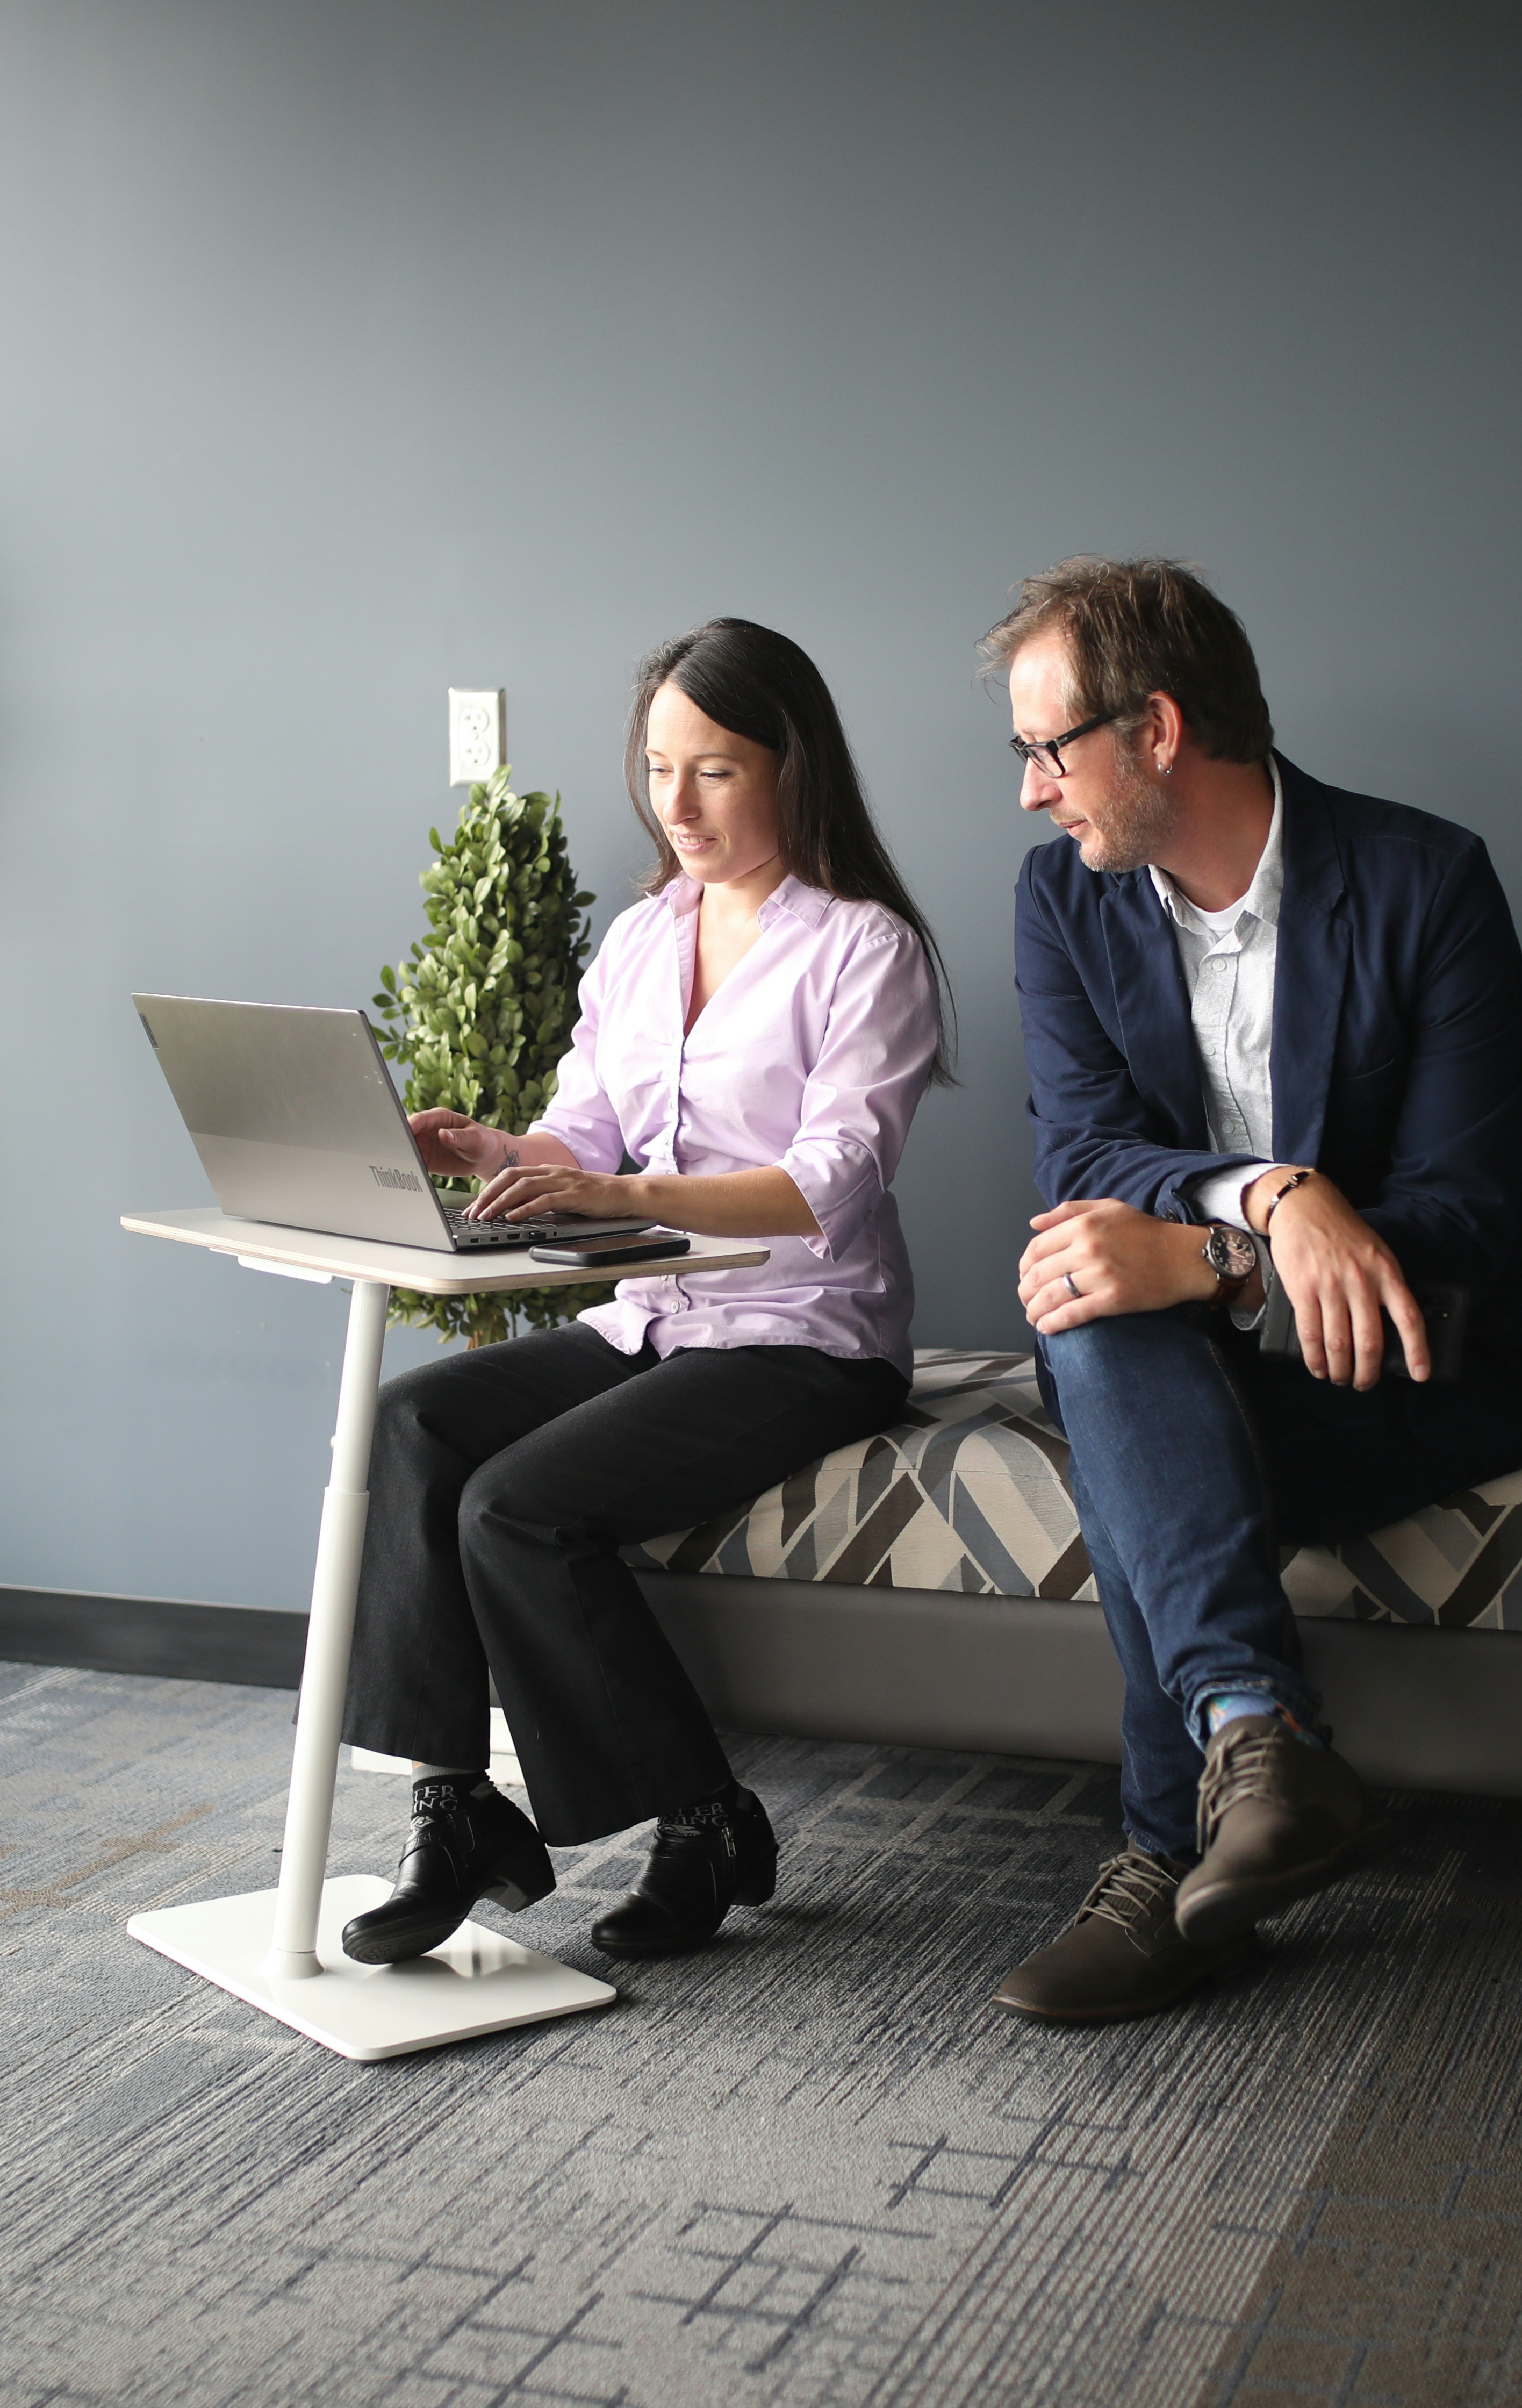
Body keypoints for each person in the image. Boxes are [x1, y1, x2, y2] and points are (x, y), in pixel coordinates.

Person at [983, 557, 1522, 2023]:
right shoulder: (1063, 901)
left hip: (1408, 1368)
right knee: (1096, 1309)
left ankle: (1163, 1854)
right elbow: (1085, 1153)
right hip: (1187, 1373)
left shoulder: (1428, 883)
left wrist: (1206, 1259)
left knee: (1126, 1398)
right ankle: (1259, 1743)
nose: (1031, 790)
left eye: (1048, 748)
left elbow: (1466, 1216)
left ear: (1157, 729)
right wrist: (1269, 1198)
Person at [338, 618, 949, 1966]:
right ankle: (455, 1808)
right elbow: (587, 1129)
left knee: (516, 1507)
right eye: (661, 768)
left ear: (792, 768)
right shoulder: (641, 937)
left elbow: (831, 1179)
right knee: (409, 1423)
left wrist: (618, 1197)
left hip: (805, 1336)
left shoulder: (866, 949)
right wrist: (501, 1154)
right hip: (656, 1320)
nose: (678, 803)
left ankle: (705, 1817)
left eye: (715, 770)